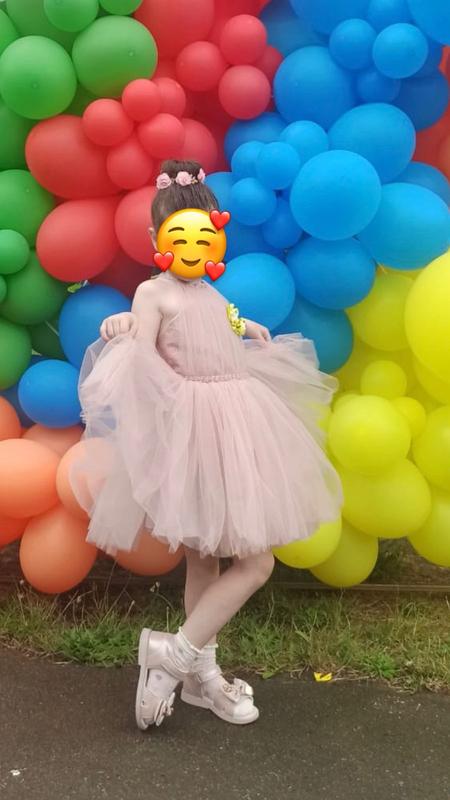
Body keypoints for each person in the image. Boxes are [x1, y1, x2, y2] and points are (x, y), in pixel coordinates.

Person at [70, 158, 342, 731]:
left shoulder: (210, 292)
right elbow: (141, 344)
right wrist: (122, 326)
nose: (194, 245)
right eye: (181, 235)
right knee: (248, 561)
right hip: (197, 431)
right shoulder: (152, 293)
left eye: (205, 234)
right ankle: (177, 660)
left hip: (235, 424)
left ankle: (195, 672)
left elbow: (220, 322)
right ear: (157, 238)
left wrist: (246, 328)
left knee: (216, 560)